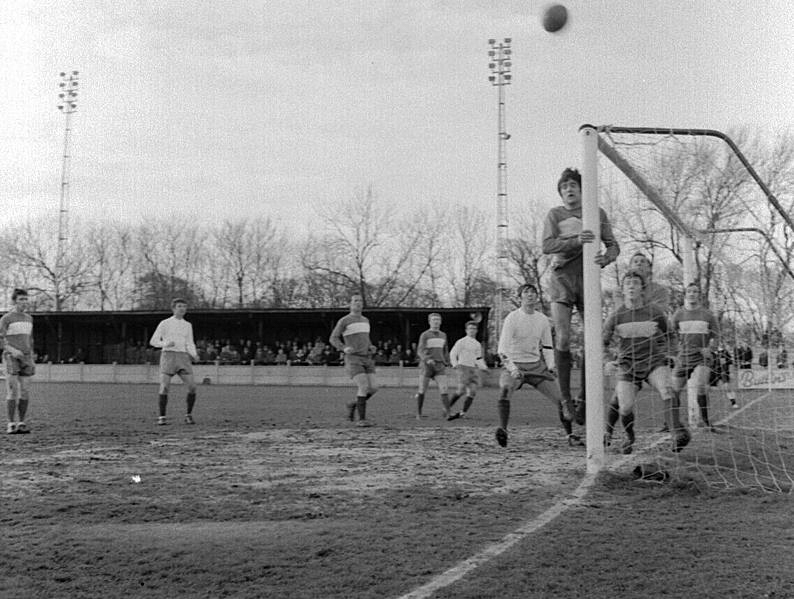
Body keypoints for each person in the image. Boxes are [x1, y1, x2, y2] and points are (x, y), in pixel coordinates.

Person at [542, 167, 620, 426]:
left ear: (582, 189)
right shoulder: (555, 214)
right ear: (561, 193)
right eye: (564, 187)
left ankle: (585, 400)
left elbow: (613, 245)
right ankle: (565, 400)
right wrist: (577, 240)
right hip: (562, 278)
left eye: (573, 185)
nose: (569, 189)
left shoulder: (596, 214)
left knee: (592, 340)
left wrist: (606, 258)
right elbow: (547, 245)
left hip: (588, 278)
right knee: (563, 336)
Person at [603, 271, 690, 454]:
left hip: (654, 362)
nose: (631, 286)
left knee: (667, 389)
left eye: (635, 283)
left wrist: (672, 353)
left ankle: (677, 433)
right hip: (628, 365)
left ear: (642, 289)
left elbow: (670, 335)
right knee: (625, 406)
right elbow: (602, 343)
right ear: (623, 289)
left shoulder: (654, 311)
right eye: (628, 283)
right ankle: (629, 436)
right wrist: (607, 361)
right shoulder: (616, 315)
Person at [494, 284, 575, 448]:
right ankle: (502, 430)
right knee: (504, 390)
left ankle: (571, 435)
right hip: (515, 365)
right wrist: (513, 369)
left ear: (537, 297)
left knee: (562, 400)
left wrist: (551, 365)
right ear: (520, 298)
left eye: (533, 292)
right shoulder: (512, 318)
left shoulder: (542, 319)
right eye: (526, 292)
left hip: (536, 367)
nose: (530, 295)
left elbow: (547, 346)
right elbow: (502, 349)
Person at [670, 283, 720, 430]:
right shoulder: (678, 314)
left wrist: (710, 349)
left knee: (701, 386)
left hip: (701, 357)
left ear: (699, 295)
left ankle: (705, 420)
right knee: (674, 391)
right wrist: (674, 352)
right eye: (689, 291)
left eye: (695, 292)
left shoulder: (708, 315)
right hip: (684, 357)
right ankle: (671, 423)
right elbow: (670, 336)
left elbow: (717, 335)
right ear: (685, 295)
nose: (692, 294)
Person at [329, 293, 378, 426]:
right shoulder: (344, 320)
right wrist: (343, 348)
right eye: (355, 300)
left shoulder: (365, 320)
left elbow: (365, 339)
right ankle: (361, 420)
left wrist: (371, 346)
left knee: (373, 388)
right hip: (353, 358)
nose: (358, 303)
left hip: (367, 358)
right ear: (350, 304)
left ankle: (353, 405)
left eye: (360, 301)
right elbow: (333, 338)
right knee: (363, 386)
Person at [149, 298, 199, 425]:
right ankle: (162, 417)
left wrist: (194, 354)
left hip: (183, 357)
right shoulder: (165, 323)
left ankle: (188, 415)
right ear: (174, 308)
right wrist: (166, 343)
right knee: (165, 387)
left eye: (184, 306)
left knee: (192, 387)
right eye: (179, 306)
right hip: (168, 356)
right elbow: (153, 341)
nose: (182, 308)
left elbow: (190, 342)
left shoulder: (188, 325)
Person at [1, 289, 35, 434]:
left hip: (26, 358)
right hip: (11, 357)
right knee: (12, 390)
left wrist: (31, 355)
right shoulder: (6, 318)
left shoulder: (29, 318)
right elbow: (1, 340)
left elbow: (30, 339)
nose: (24, 302)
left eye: (26, 299)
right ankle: (10, 423)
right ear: (14, 301)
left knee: (25, 391)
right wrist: (13, 351)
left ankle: (21, 422)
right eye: (21, 299)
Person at [446, 320, 489, 421]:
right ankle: (446, 408)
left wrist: (484, 368)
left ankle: (462, 413)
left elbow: (478, 358)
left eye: (474, 329)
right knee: (461, 390)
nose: (472, 330)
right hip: (463, 367)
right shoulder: (461, 342)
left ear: (476, 330)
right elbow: (453, 353)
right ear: (466, 330)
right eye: (470, 328)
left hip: (472, 369)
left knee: (473, 391)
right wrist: (455, 364)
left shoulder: (477, 344)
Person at [413, 313, 451, 419]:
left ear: (441, 322)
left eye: (438, 319)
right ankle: (418, 413)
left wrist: (447, 361)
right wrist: (427, 359)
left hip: (439, 366)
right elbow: (420, 351)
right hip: (427, 366)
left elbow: (445, 350)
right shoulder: (424, 335)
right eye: (434, 319)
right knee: (422, 390)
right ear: (429, 322)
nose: (436, 321)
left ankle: (448, 414)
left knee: (444, 388)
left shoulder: (443, 335)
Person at [709, 342, 739, 410]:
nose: (714, 344)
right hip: (713, 372)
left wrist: (731, 372)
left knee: (727, 387)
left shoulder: (725, 352)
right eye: (712, 343)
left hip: (723, 372)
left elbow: (730, 362)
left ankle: (733, 403)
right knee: (706, 388)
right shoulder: (710, 353)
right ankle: (705, 404)